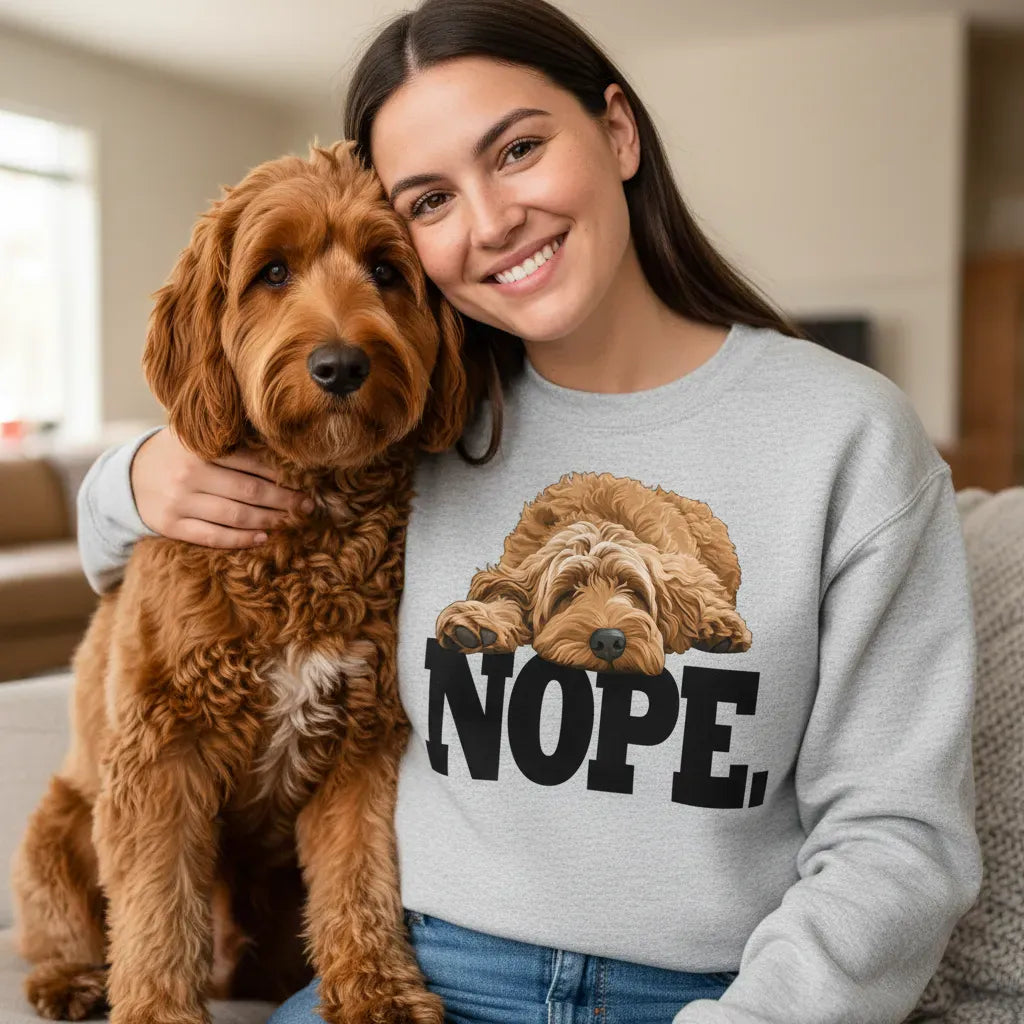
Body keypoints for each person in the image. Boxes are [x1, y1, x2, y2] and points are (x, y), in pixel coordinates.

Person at [76, 1, 982, 1021]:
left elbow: (898, 837)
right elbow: (154, 577)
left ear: (619, 132)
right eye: (431, 199)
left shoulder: (844, 433)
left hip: (718, 990)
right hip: (437, 971)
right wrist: (130, 477)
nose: (492, 220)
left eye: (517, 150)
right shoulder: (419, 428)